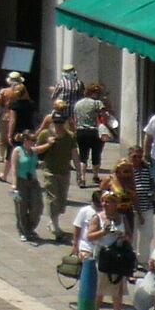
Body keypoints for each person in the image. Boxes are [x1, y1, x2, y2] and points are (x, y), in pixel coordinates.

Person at [72, 188, 136, 310]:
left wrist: (124, 237)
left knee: (117, 288)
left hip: (118, 254)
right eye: (104, 202)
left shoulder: (122, 218)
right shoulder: (98, 217)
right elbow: (89, 236)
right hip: (102, 254)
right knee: (99, 287)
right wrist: (103, 232)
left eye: (110, 202)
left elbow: (130, 236)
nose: (106, 204)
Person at [34, 107, 77, 241]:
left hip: (64, 172)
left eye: (60, 122)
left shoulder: (70, 136)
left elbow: (75, 154)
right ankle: (55, 225)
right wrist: (48, 144)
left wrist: (80, 172)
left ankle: (53, 221)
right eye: (56, 122)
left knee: (62, 201)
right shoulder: (45, 134)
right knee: (52, 198)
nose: (58, 124)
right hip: (50, 171)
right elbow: (35, 150)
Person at [0, 72, 30, 180]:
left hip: (6, 117)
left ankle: (1, 156)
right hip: (22, 120)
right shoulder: (24, 92)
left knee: (3, 138)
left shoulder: (4, 91)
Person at [70, 82, 107, 189]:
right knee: (96, 154)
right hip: (95, 131)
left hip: (80, 132)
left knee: (83, 156)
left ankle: (82, 178)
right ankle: (95, 176)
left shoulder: (78, 104)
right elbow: (103, 116)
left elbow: (74, 119)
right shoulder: (97, 103)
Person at [11, 131, 44, 241]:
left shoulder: (33, 152)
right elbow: (14, 168)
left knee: (37, 207)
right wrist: (14, 184)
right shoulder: (17, 151)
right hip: (21, 182)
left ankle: (30, 228)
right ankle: (23, 230)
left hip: (33, 181)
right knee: (21, 208)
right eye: (31, 141)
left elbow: (35, 164)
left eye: (34, 141)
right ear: (25, 140)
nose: (33, 143)